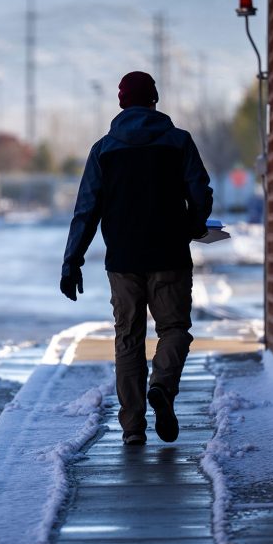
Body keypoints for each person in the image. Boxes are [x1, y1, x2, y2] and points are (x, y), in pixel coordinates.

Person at [60, 70, 213, 446]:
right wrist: (193, 225)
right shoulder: (179, 142)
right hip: (169, 254)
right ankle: (161, 385)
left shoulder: (104, 150)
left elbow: (86, 210)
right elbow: (202, 192)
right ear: (154, 100)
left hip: (123, 260)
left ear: (121, 103)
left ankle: (132, 427)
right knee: (174, 330)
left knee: (128, 338)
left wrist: (72, 261)